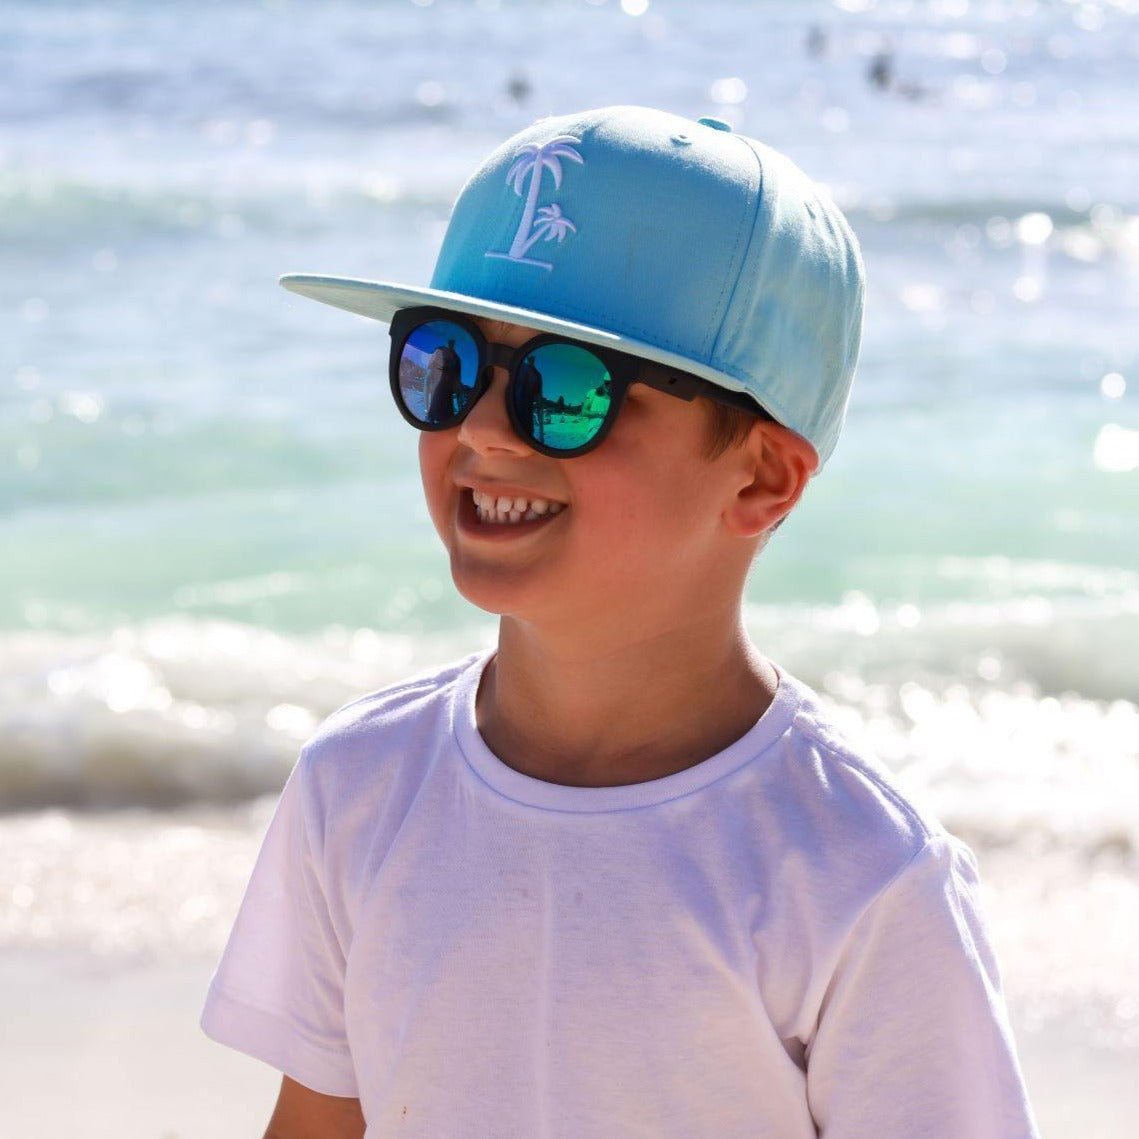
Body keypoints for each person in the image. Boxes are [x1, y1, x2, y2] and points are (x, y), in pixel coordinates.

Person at [201, 106, 1039, 1138]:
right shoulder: (359, 784)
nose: (480, 427)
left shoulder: (861, 873)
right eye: (446, 358)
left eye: (566, 386)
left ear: (762, 477)